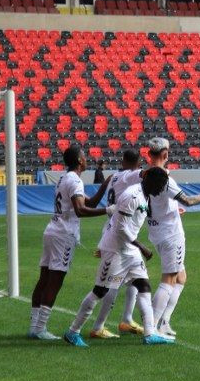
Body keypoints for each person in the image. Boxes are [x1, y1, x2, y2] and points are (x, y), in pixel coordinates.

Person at [64, 175, 172, 347]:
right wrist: (141, 246)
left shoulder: (144, 194)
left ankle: (150, 333)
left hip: (129, 250)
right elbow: (120, 227)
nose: (161, 191)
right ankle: (72, 331)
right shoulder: (132, 195)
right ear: (152, 184)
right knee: (99, 291)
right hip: (115, 250)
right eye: (161, 187)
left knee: (143, 286)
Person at [27, 145, 114, 340]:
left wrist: (103, 187)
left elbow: (88, 203)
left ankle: (34, 327)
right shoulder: (75, 181)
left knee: (44, 279)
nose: (86, 158)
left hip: (52, 230)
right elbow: (81, 210)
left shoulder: (64, 178)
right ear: (79, 160)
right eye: (84, 155)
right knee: (54, 282)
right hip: (63, 235)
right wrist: (108, 211)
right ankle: (40, 329)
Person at [144, 138, 200, 338]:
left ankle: (164, 322)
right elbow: (188, 200)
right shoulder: (165, 179)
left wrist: (171, 210)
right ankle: (152, 327)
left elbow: (153, 203)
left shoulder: (143, 175)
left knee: (181, 277)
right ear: (164, 154)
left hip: (156, 229)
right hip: (170, 234)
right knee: (169, 279)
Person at [88, 150, 147, 339]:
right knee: (112, 282)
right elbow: (148, 174)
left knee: (135, 277)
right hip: (120, 234)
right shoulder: (131, 175)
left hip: (114, 228)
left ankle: (127, 319)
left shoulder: (113, 176)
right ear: (138, 162)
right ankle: (98, 326)